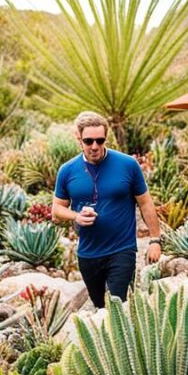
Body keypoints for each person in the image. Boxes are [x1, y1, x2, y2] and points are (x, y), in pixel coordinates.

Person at [52, 111, 162, 308]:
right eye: (88, 141)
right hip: (88, 253)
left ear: (106, 138)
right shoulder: (67, 171)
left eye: (100, 140)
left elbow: (145, 203)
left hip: (122, 249)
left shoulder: (128, 164)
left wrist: (155, 240)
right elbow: (57, 211)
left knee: (118, 305)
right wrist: (76, 216)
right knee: (100, 306)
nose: (94, 146)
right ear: (78, 138)